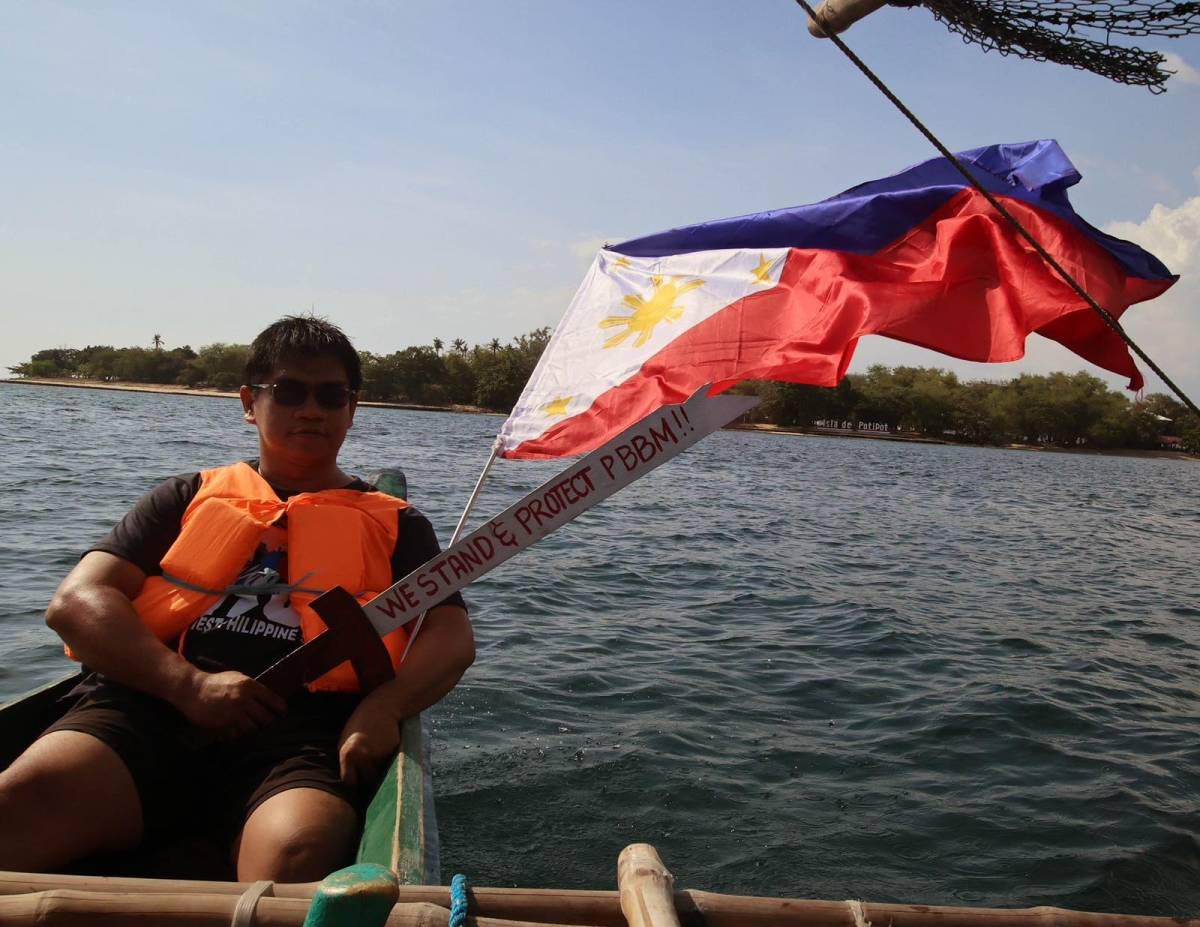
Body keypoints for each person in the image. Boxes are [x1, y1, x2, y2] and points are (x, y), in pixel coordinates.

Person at [0, 316, 475, 880]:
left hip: (301, 735)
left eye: (332, 396)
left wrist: (385, 706)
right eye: (290, 392)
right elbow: (76, 603)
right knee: (21, 802)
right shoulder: (185, 496)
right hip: (151, 707)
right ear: (250, 402)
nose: (311, 410)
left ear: (353, 407)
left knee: (298, 852)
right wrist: (188, 685)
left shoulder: (399, 524)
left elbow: (450, 635)